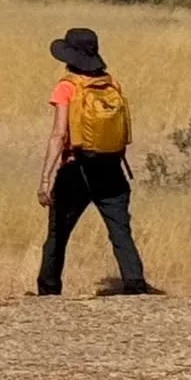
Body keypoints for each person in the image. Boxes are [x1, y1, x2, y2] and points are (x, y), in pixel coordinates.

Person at [37, 27, 156, 296]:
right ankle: (135, 284)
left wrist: (46, 178)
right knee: (120, 231)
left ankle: (49, 288)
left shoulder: (66, 86)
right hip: (111, 167)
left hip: (75, 167)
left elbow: (59, 134)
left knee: (58, 233)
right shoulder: (111, 84)